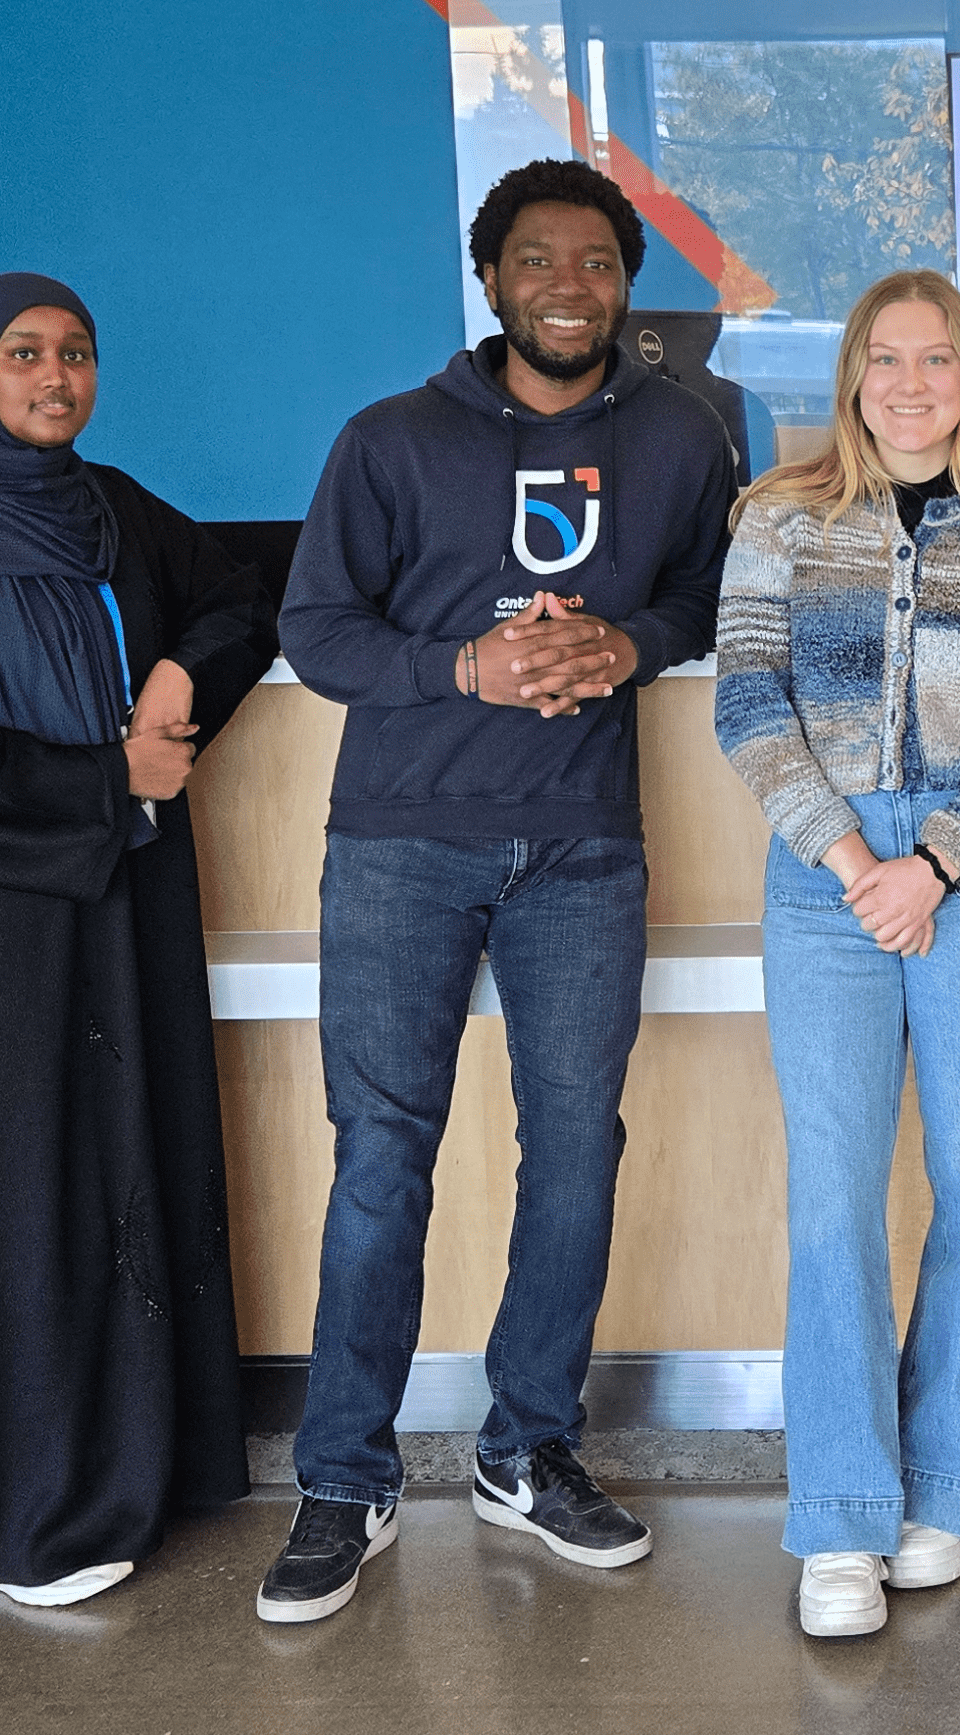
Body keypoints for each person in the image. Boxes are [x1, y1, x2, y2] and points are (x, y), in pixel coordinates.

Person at [265, 158, 738, 1620]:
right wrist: (461, 666)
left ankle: (530, 1447)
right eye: (539, 260)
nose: (568, 286)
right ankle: (343, 1478)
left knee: (577, 1153)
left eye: (596, 263)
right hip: (404, 839)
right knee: (381, 1160)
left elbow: (711, 598)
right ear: (492, 279)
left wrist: (631, 648)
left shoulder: (681, 435)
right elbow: (317, 629)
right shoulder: (392, 439)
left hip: (583, 843)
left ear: (627, 284)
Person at [0, 272, 276, 1605]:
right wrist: (111, 782)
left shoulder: (115, 512)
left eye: (76, 354)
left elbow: (243, 599)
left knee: (133, 1167)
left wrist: (180, 680)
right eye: (26, 354)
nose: (55, 378)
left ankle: (150, 1469)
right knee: (18, 1193)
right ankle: (29, 1514)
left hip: (121, 900)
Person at [715, 269, 960, 1641]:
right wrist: (854, 858)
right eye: (887, 359)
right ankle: (839, 1518)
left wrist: (934, 863)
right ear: (854, 377)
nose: (912, 383)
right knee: (834, 1195)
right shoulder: (778, 514)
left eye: (938, 360)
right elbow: (747, 702)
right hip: (823, 877)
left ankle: (953, 1483)